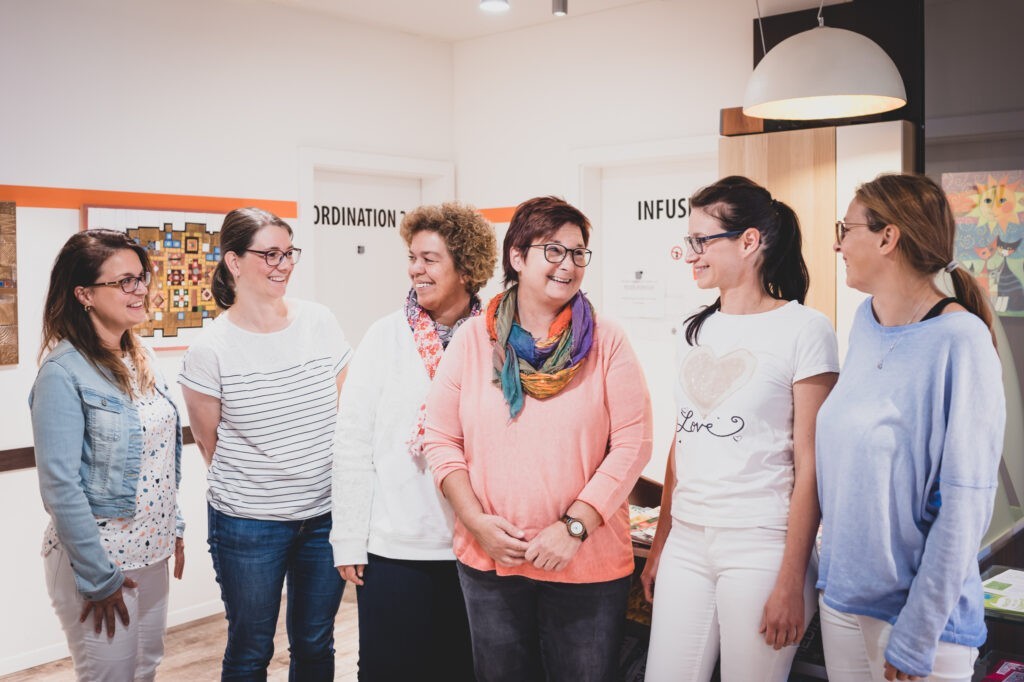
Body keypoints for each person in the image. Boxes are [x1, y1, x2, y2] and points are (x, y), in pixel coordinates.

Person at [423, 196, 653, 682]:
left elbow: (633, 443)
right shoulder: (471, 342)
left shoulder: (606, 341)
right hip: (491, 562)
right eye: (553, 251)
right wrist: (474, 520)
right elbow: (440, 438)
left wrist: (573, 528)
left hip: (585, 566)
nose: (568, 265)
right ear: (517, 257)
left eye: (578, 253)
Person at [641, 176, 839, 682]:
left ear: (749, 241)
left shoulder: (804, 329)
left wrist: (792, 579)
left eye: (702, 241)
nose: (691, 254)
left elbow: (811, 460)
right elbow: (683, 441)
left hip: (761, 545)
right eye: (689, 242)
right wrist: (661, 542)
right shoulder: (693, 328)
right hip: (686, 539)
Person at [816, 173, 1005, 682]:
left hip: (920, 624)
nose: (838, 242)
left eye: (846, 228)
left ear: (887, 236)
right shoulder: (865, 321)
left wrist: (918, 635)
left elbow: (965, 504)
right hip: (843, 600)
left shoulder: (960, 340)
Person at [179, 207, 352, 681]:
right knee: (251, 648)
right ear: (233, 262)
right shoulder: (210, 348)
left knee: (316, 642)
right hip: (248, 526)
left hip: (323, 517)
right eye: (269, 254)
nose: (283, 264)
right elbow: (207, 442)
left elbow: (345, 412)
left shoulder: (319, 321)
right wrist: (265, 483)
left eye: (288, 253)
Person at [330, 201, 496, 680]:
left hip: (473, 543)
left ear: (466, 267)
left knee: (462, 669)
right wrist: (348, 539)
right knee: (389, 670)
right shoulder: (384, 337)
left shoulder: (496, 337)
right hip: (395, 546)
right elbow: (353, 441)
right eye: (412, 257)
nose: (415, 270)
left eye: (430, 259)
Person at [31, 229, 186, 681]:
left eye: (141, 279)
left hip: (152, 553)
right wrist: (99, 578)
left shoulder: (143, 355)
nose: (139, 291)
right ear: (84, 294)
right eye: (124, 282)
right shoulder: (62, 372)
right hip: (100, 562)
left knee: (145, 669)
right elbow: (60, 487)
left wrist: (172, 526)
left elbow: (159, 458)